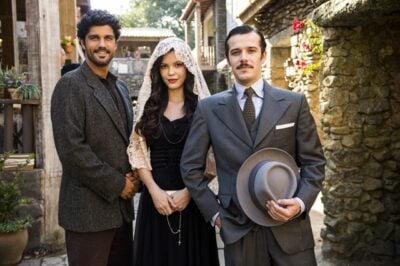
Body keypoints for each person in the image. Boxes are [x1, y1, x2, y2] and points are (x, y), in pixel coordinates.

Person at [180, 25, 326, 266]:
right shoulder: (208, 109)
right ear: (228, 58)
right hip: (238, 230)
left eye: (251, 50)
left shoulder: (294, 103)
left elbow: (314, 163)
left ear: (263, 55)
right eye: (236, 52)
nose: (244, 58)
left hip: (290, 231)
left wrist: (300, 203)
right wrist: (216, 214)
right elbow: (190, 167)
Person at [51, 9, 139, 266]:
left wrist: (136, 178)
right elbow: (72, 150)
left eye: (108, 38)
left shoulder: (121, 87)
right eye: (94, 38)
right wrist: (118, 184)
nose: (102, 44)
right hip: (87, 214)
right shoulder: (70, 85)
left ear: (115, 43)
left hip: (121, 213)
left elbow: (128, 143)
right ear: (82, 43)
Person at [127, 37, 219, 266]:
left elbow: (214, 157)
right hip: (155, 200)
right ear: (157, 70)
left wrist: (189, 192)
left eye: (177, 65)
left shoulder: (203, 106)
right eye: (165, 66)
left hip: (194, 200)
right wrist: (154, 191)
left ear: (188, 67)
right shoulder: (149, 106)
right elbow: (137, 152)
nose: (171, 72)